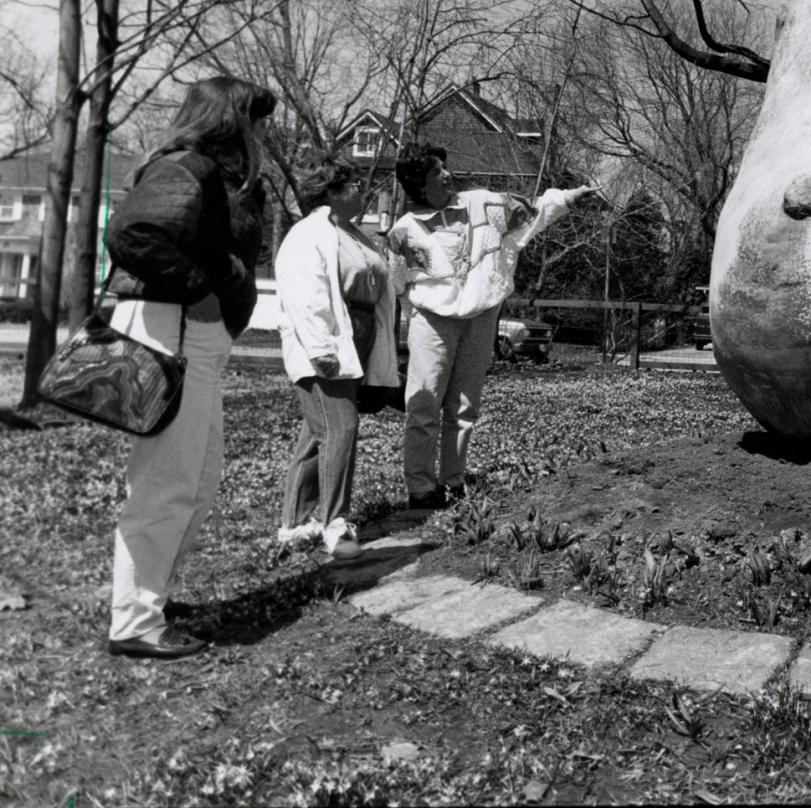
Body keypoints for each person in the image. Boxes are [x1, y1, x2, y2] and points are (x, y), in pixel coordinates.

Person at [102, 75, 278, 660]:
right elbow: (135, 234)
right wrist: (201, 290)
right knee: (167, 483)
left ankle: (148, 599)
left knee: (197, 481)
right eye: (257, 118)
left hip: (192, 333)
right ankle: (135, 622)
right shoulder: (191, 163)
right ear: (230, 119)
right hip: (172, 326)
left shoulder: (218, 172)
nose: (263, 130)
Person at [387, 144, 595, 509]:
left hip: (480, 318)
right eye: (437, 172)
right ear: (419, 184)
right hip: (432, 323)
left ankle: (452, 480)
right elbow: (396, 283)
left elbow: (530, 210)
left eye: (444, 167)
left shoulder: (480, 204)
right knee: (423, 406)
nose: (447, 175)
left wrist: (570, 197)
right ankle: (420, 488)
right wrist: (417, 316)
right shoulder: (405, 231)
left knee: (465, 406)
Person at [274, 158, 400, 559]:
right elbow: (307, 298)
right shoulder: (307, 234)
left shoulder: (354, 234)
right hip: (326, 344)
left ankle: (294, 524)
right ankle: (335, 526)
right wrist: (321, 351)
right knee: (340, 430)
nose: (361, 192)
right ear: (329, 191)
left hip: (357, 338)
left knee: (318, 433)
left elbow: (380, 283)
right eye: (352, 186)